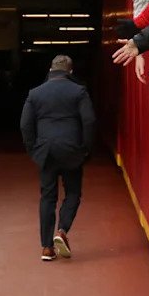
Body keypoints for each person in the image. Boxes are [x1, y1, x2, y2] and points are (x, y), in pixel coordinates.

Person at [19, 55, 95, 261]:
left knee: (47, 197)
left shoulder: (35, 93)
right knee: (72, 193)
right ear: (70, 72)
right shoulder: (79, 91)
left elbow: (25, 125)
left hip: (46, 151)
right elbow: (89, 121)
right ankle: (62, 230)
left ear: (50, 70)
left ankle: (46, 247)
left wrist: (33, 150)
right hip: (72, 149)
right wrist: (86, 149)